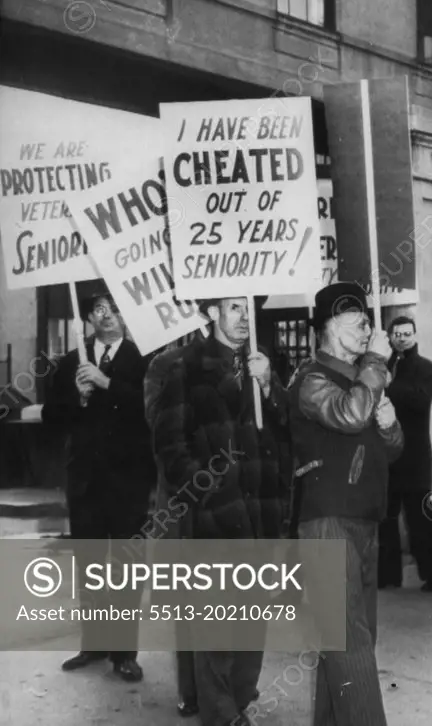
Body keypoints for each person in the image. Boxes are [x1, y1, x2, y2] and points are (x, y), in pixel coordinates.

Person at [153, 296, 291, 726]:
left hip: (261, 513)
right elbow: (170, 447)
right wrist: (209, 493)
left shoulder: (264, 364)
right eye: (235, 307)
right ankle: (219, 712)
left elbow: (286, 432)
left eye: (248, 308)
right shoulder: (185, 366)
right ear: (212, 313)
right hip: (215, 518)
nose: (245, 317)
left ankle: (240, 697)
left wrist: (269, 388)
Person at [289, 282, 403, 725]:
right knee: (350, 645)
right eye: (354, 319)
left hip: (362, 520)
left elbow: (387, 449)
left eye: (366, 319)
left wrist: (390, 427)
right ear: (326, 327)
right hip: (327, 524)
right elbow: (349, 416)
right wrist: (375, 363)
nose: (367, 326)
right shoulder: (310, 379)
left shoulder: (362, 381)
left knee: (350, 642)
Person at [42, 286, 153, 682]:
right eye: (99, 309)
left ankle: (124, 653)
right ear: (89, 317)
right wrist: (76, 394)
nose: (106, 315)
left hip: (128, 483)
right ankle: (94, 643)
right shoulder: (73, 360)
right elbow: (51, 417)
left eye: (114, 309)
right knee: (89, 567)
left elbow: (149, 409)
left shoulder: (144, 359)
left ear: (126, 316)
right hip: (85, 481)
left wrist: (106, 384)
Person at [143, 328, 206, 717]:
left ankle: (230, 688)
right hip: (184, 500)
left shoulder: (247, 358)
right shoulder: (164, 365)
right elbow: (158, 426)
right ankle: (192, 688)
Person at [378, 314, 432, 591]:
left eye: (407, 333)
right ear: (390, 337)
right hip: (388, 453)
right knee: (387, 516)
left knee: (420, 515)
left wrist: (390, 385)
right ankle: (388, 574)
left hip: (415, 455)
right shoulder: (382, 366)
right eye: (397, 334)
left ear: (414, 336)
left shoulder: (427, 367)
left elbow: (419, 400)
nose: (402, 338)